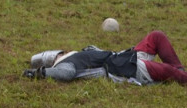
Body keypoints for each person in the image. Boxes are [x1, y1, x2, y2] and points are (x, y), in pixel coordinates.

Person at [25, 31, 187, 85]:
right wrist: (40, 73)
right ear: (53, 57)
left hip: (123, 56)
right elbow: (66, 74)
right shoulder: (65, 64)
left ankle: (180, 72)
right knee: (167, 71)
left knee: (156, 36)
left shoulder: (74, 54)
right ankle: (181, 75)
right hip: (123, 69)